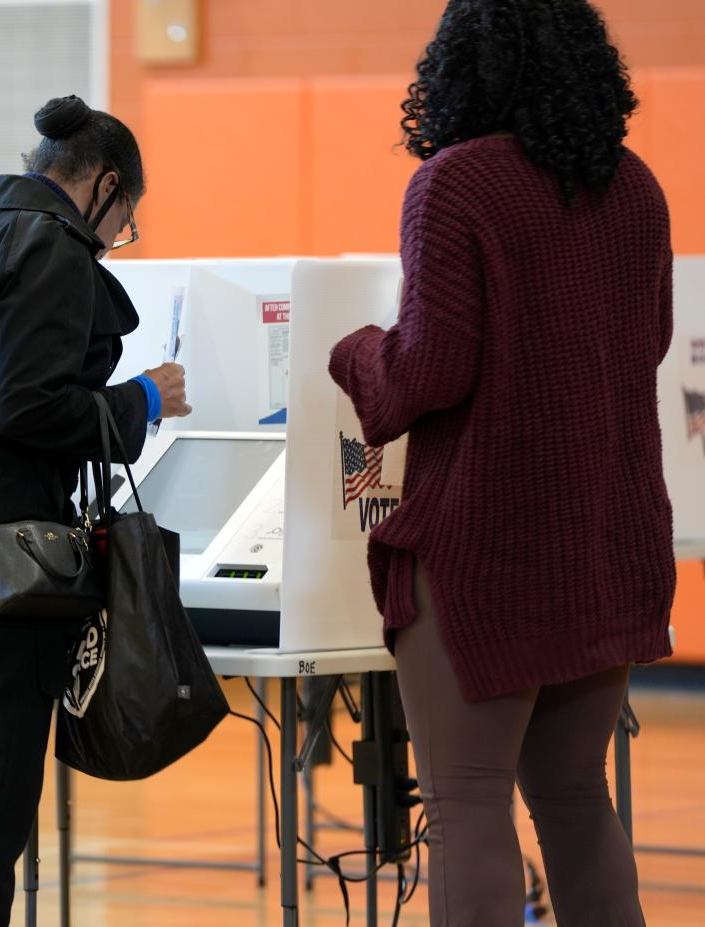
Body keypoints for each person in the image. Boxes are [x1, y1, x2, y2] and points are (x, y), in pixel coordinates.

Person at [329, 1, 674, 923]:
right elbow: (647, 342)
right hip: (609, 537)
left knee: (465, 800)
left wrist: (356, 349)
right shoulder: (636, 187)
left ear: (458, 68)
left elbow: (426, 371)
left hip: (491, 544)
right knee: (573, 796)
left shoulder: (455, 185)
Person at [0, 95, 191, 926]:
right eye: (123, 219)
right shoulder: (53, 248)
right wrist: (140, 398)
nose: (114, 237)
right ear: (102, 186)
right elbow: (26, 407)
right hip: (6, 580)